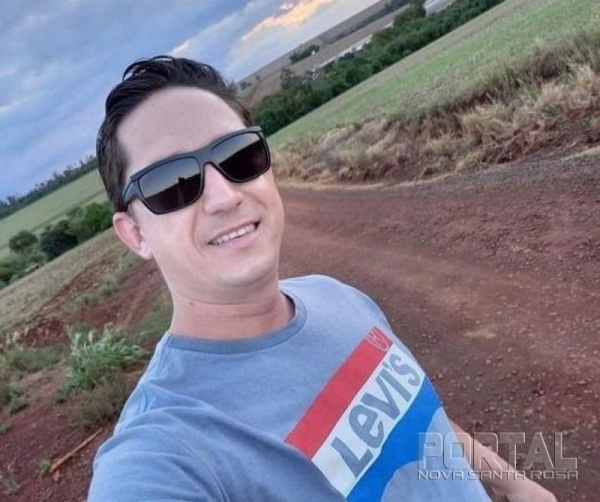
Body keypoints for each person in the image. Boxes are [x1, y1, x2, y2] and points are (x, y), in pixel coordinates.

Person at [88, 56, 556, 502]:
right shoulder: (165, 449)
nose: (224, 196)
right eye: (170, 184)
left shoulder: (336, 296)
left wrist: (510, 481)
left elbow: (411, 424)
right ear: (135, 234)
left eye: (237, 154)